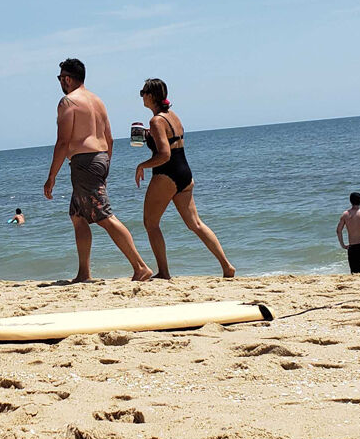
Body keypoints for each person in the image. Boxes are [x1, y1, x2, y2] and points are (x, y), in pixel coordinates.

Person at [43, 59, 152, 283]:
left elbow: (63, 142)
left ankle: (140, 266)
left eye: (60, 78)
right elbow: (109, 138)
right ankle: (84, 273)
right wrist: (105, 166)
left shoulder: (68, 102)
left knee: (104, 215)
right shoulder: (97, 101)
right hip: (100, 158)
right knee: (77, 215)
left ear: (67, 78)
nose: (60, 82)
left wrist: (51, 177)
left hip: (84, 162)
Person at [133, 78, 235, 279]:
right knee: (195, 223)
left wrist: (141, 165)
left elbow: (164, 155)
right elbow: (172, 142)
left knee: (151, 224)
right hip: (184, 173)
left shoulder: (156, 121)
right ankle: (227, 266)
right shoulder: (172, 116)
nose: (141, 96)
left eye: (143, 92)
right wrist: (148, 135)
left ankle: (164, 272)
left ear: (151, 96)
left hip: (166, 174)